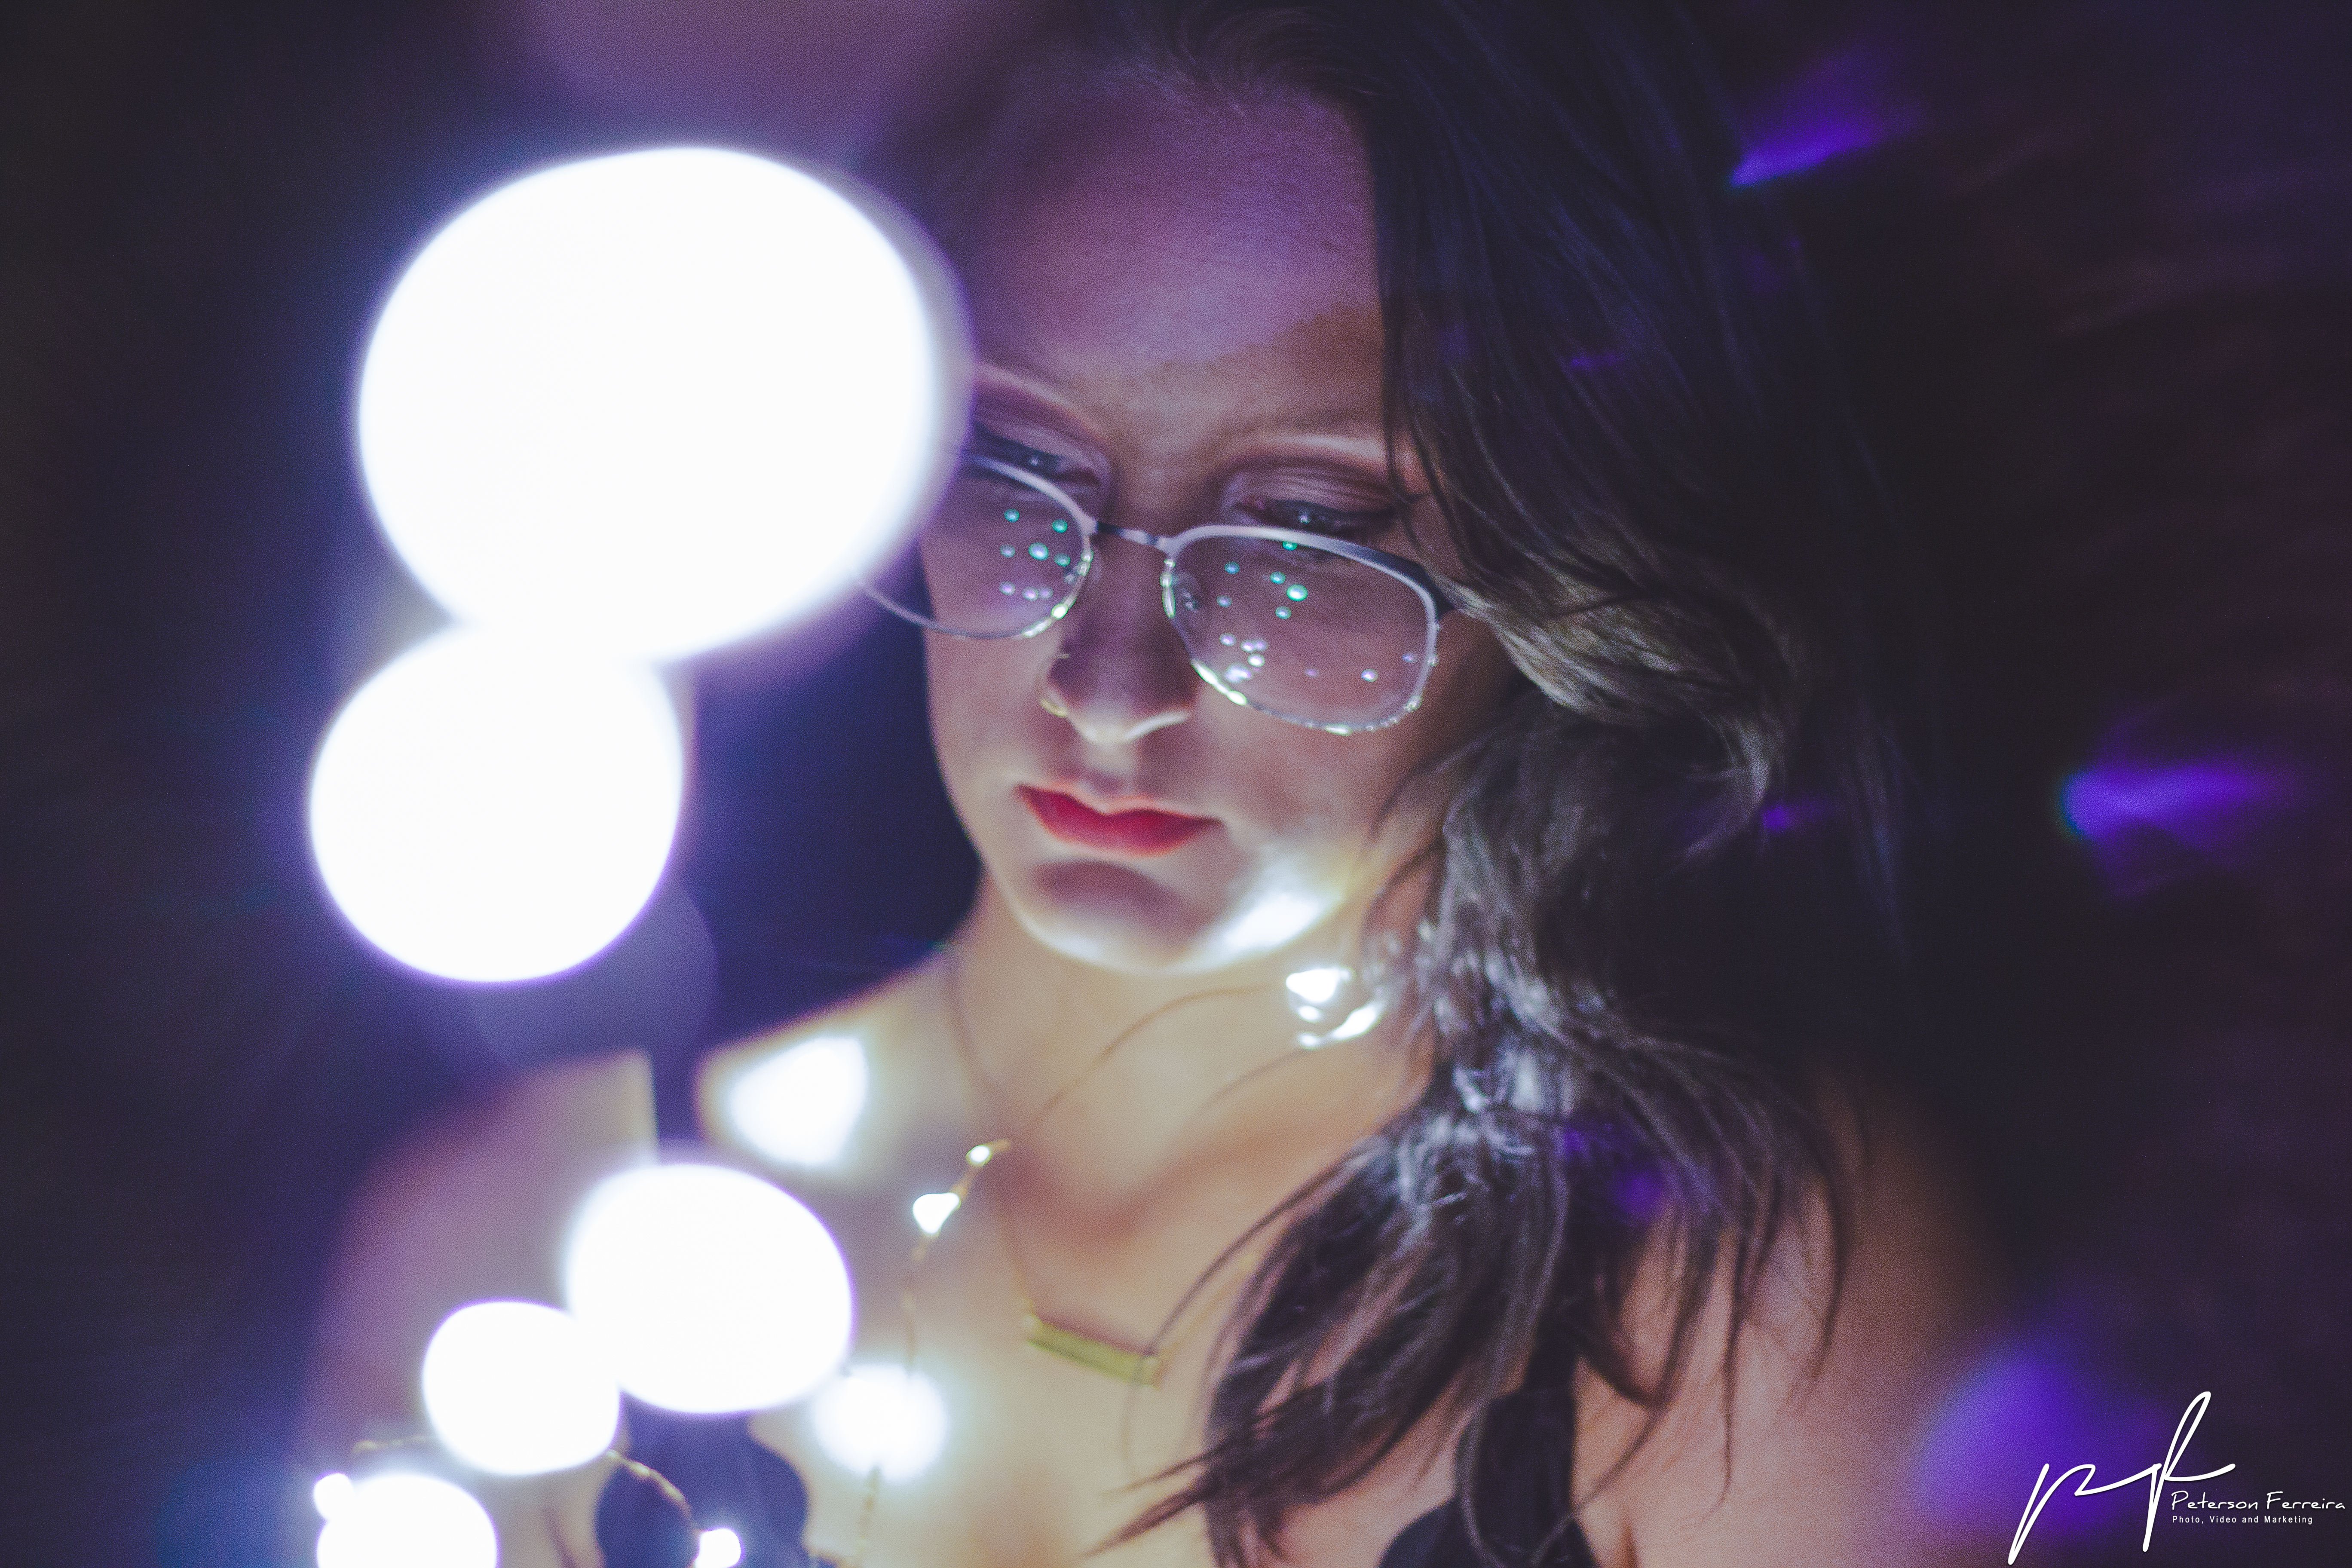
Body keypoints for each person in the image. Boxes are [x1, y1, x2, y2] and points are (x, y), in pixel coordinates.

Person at [305, 3, 1997, 1565]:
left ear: (1568, 552)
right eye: (1017, 469)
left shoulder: (1731, 1308)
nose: (1108, 687)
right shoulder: (524, 1252)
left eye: (1307, 530)